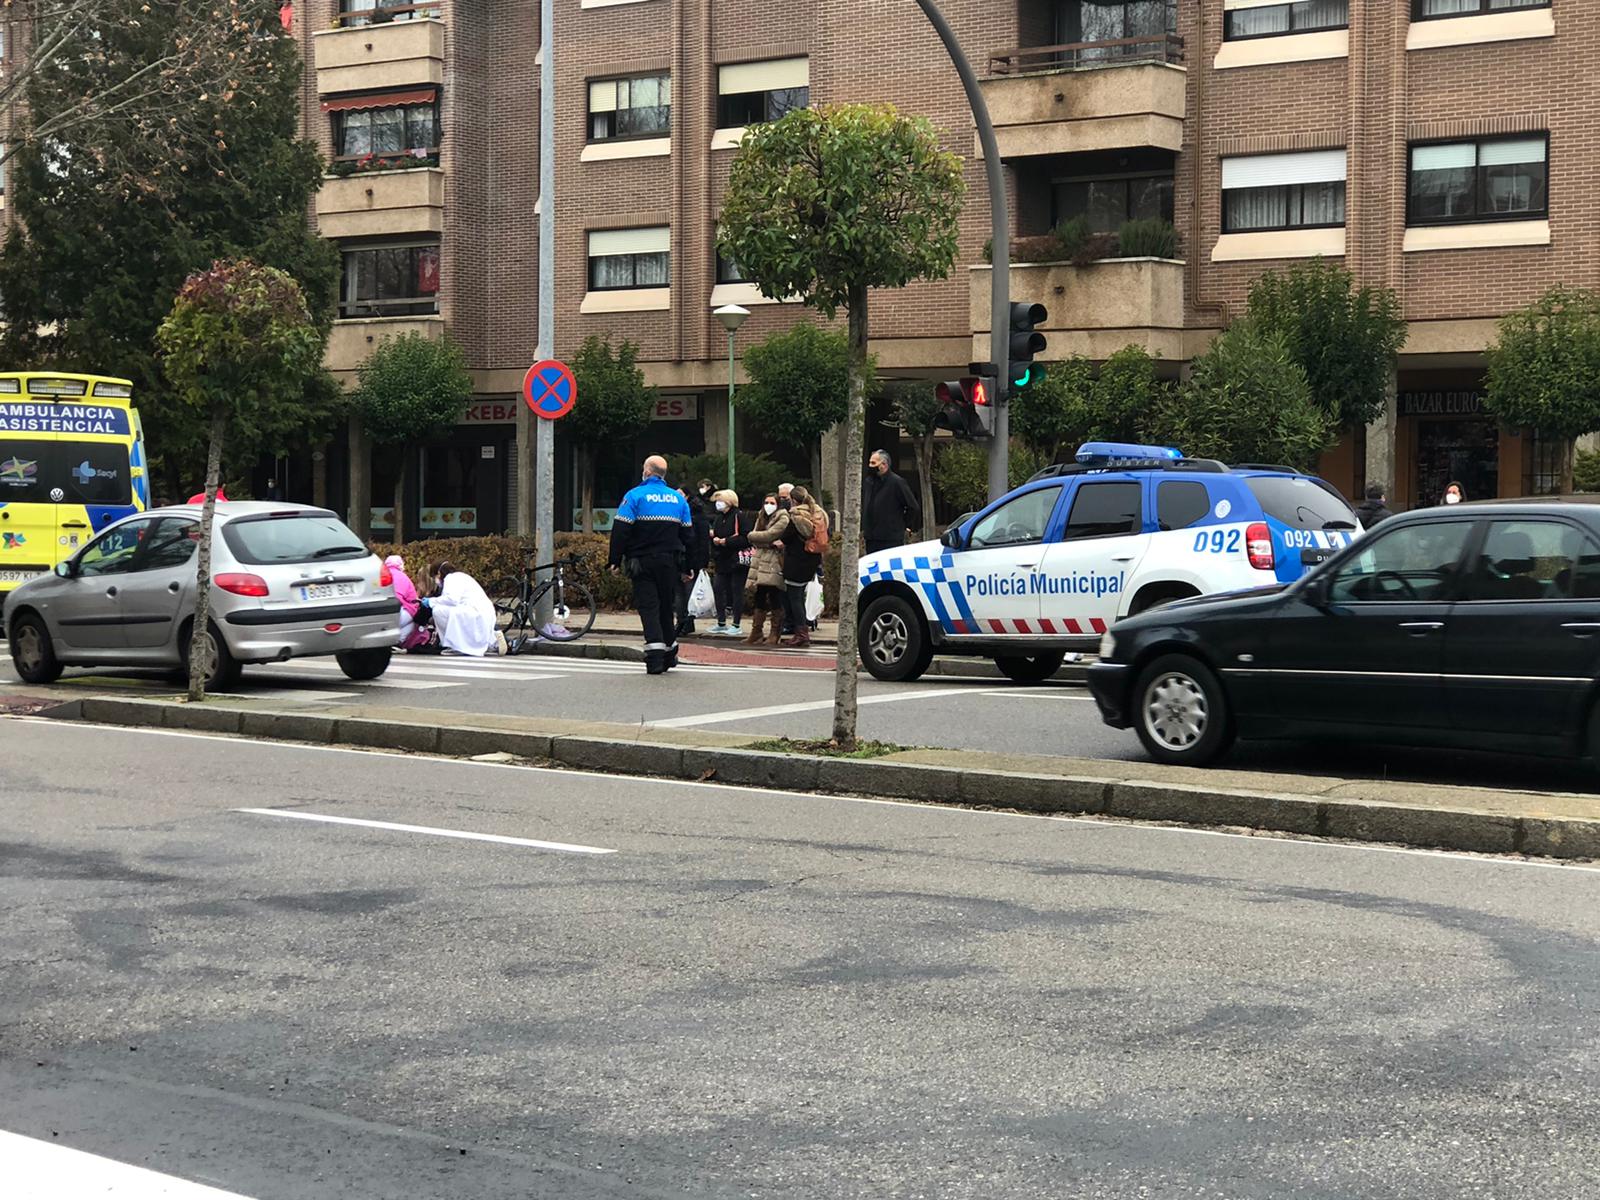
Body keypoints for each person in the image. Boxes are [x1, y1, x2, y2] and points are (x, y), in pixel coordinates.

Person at [609, 455, 700, 675]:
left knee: (649, 607)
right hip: (669, 562)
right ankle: (670, 652)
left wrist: (614, 560)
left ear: (648, 472)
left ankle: (655, 657)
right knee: (666, 606)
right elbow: (688, 535)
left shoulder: (634, 496)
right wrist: (689, 566)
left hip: (641, 562)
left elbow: (621, 530)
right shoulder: (677, 500)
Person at [748, 484, 825, 648]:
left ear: (794, 501)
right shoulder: (817, 513)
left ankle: (801, 633)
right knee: (797, 597)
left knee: (795, 599)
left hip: (796, 560)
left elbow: (787, 536)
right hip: (812, 559)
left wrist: (779, 542)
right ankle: (801, 632)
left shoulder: (796, 515)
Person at [730, 493, 785, 645]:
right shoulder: (761, 516)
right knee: (759, 596)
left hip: (773, 562)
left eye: (772, 502)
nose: (768, 505)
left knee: (774, 596)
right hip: (761, 561)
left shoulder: (782, 517)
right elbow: (753, 537)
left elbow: (770, 535)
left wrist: (760, 539)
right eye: (766, 502)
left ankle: (775, 633)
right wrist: (764, 540)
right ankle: (756, 631)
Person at [429, 562, 497, 656]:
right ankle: (489, 642)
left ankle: (456, 645)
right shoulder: (461, 577)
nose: (436, 581)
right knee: (447, 612)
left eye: (434, 577)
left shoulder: (450, 578)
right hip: (484, 613)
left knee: (438, 611)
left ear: (439, 573)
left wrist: (430, 602)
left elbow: (452, 600)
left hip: (475, 612)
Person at [707, 489, 750, 636]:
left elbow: (745, 538)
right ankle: (721, 622)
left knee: (736, 591)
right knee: (718, 589)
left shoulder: (739, 516)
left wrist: (726, 541)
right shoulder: (719, 518)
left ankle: (736, 623)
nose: (718, 504)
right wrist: (715, 541)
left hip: (736, 560)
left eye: (721, 501)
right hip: (722, 559)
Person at [676, 480, 716, 637]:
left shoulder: (692, 516)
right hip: (690, 559)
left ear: (687, 496)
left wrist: (694, 564)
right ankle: (685, 622)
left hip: (688, 559)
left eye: (680, 494)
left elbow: (695, 542)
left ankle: (684, 622)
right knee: (683, 593)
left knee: (684, 593)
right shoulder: (697, 514)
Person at [862, 448, 921, 554]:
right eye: (870, 463)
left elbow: (913, 506)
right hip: (871, 537)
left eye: (873, 463)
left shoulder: (897, 482)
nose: (870, 466)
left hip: (890, 538)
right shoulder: (869, 482)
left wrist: (901, 524)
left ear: (884, 464)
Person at [385, 555, 432, 651]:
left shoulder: (380, 575)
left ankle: (390, 642)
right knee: (414, 622)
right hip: (402, 611)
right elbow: (397, 597)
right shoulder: (401, 577)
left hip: (383, 611)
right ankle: (397, 642)